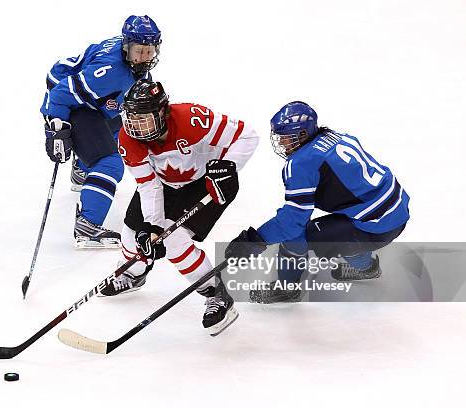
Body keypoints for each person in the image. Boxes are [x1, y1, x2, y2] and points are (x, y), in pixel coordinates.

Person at [99, 79, 260, 336]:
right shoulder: (128, 139)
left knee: (174, 240)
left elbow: (247, 136)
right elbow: (148, 185)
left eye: (143, 119)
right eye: (131, 119)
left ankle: (215, 293)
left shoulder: (192, 119)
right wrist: (152, 226)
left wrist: (228, 167)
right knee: (133, 235)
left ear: (163, 112)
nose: (135, 127)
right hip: (163, 183)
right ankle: (135, 274)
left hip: (207, 184)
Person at [225, 101, 410, 303]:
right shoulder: (336, 136)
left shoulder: (301, 163)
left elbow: (292, 222)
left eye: (286, 137)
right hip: (396, 210)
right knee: (343, 228)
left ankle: (287, 289)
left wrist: (253, 240)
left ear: (302, 135)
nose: (282, 142)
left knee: (296, 235)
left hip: (376, 227)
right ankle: (367, 266)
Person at [40, 15, 161, 249]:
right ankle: (88, 225)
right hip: (71, 103)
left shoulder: (128, 57)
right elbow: (59, 95)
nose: (144, 57)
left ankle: (83, 170)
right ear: (126, 47)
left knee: (118, 124)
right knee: (110, 163)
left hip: (94, 103)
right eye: (139, 52)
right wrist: (56, 129)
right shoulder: (109, 73)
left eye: (149, 51)